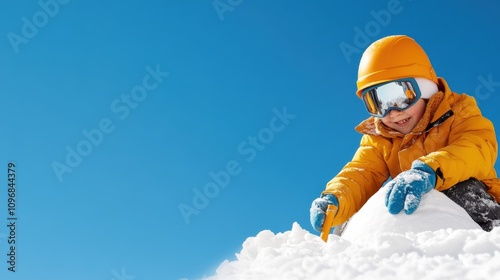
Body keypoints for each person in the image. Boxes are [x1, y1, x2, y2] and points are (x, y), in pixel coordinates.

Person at [310, 35, 500, 233]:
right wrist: (336, 198)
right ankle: (355, 256)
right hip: (423, 219)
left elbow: (477, 146)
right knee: (352, 214)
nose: (391, 112)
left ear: (425, 89)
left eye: (399, 97)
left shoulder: (459, 112)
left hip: (476, 205)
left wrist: (430, 170)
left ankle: (492, 240)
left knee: (461, 188)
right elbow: (363, 172)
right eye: (378, 103)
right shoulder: (380, 138)